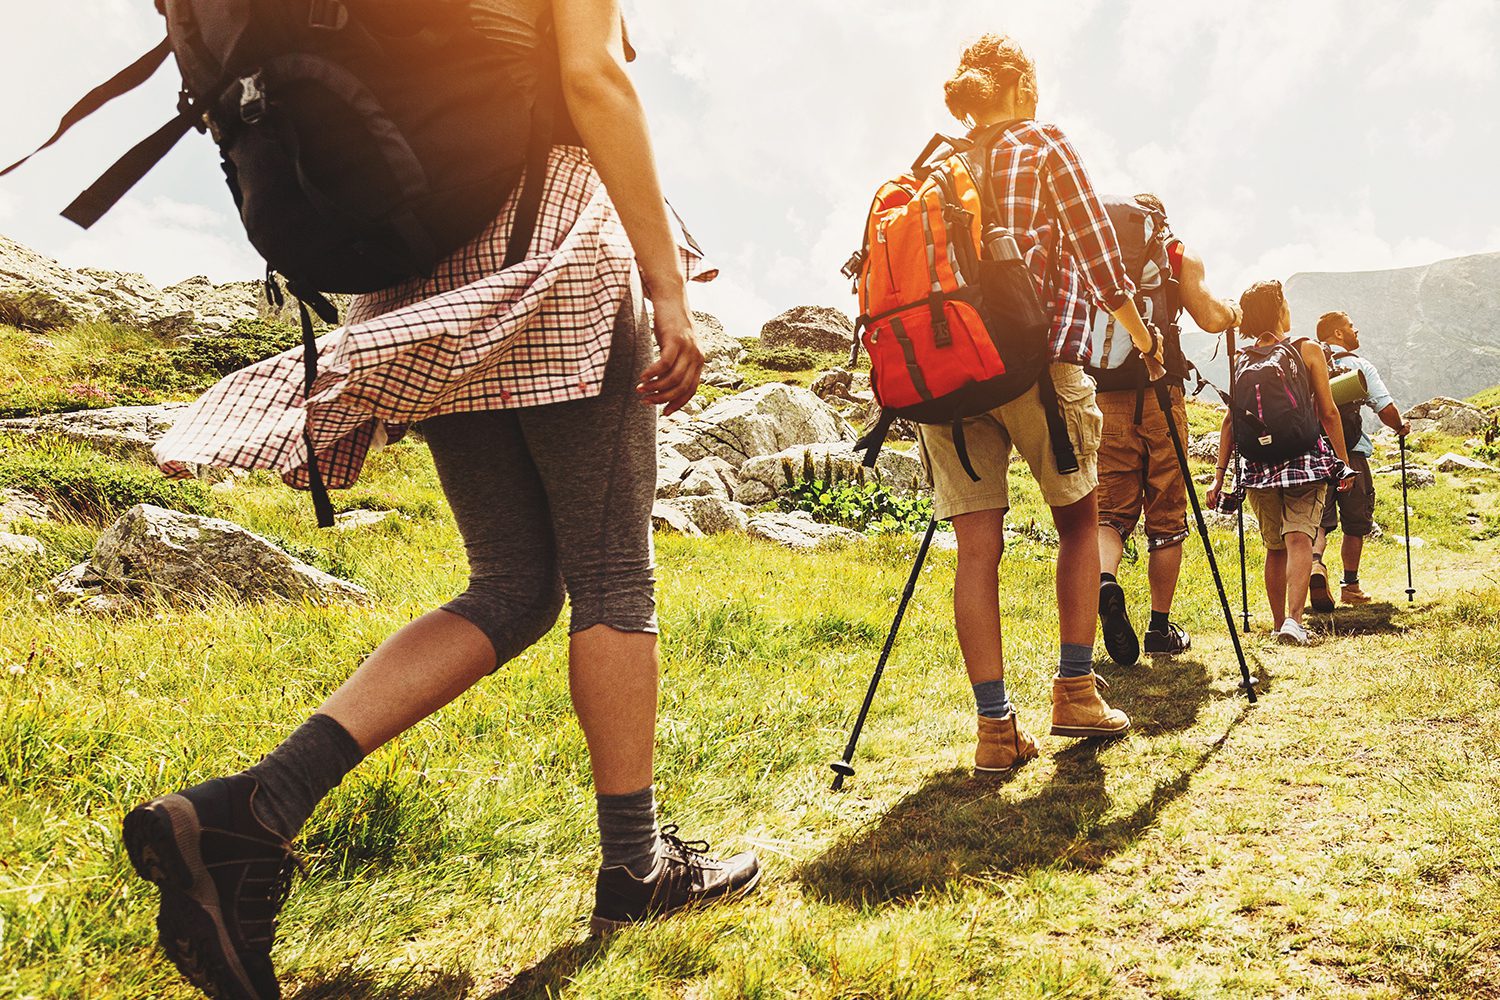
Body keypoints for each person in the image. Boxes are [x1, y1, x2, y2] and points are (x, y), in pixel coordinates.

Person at [123, 4, 758, 998]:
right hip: (549, 250)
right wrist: (666, 284)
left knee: (509, 586)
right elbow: (593, 79)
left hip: (420, 284)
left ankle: (251, 812)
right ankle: (635, 868)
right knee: (611, 583)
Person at [923, 33, 1163, 773]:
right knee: (1078, 522)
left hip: (947, 376)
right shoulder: (1043, 141)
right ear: (1022, 86)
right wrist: (1140, 334)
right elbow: (1098, 251)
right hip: (1034, 362)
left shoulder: (935, 164)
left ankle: (995, 730)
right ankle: (1075, 692)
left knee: (976, 552)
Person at [1094, 193, 1243, 664]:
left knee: (1110, 511)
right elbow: (1209, 316)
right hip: (1161, 387)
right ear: (1161, 221)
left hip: (1105, 391)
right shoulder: (1176, 253)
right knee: (1167, 509)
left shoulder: (1098, 248)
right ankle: (1160, 627)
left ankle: (1104, 581)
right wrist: (1234, 313)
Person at [1206, 281, 1355, 646]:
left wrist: (1219, 478)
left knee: (1274, 546)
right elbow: (1329, 412)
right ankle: (1293, 620)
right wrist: (1342, 464)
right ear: (1278, 310)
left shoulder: (1240, 358)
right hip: (1304, 460)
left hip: (1257, 467)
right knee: (1299, 536)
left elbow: (1230, 421)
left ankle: (1276, 625)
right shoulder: (1306, 349)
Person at [1308, 310, 1410, 610]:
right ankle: (1350, 586)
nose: (1356, 330)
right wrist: (1400, 427)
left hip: (1314, 453)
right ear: (1338, 333)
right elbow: (1384, 406)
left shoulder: (1309, 364)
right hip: (1351, 452)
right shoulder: (1357, 366)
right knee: (1355, 521)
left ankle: (1315, 566)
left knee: (1319, 521)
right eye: (1351, 327)